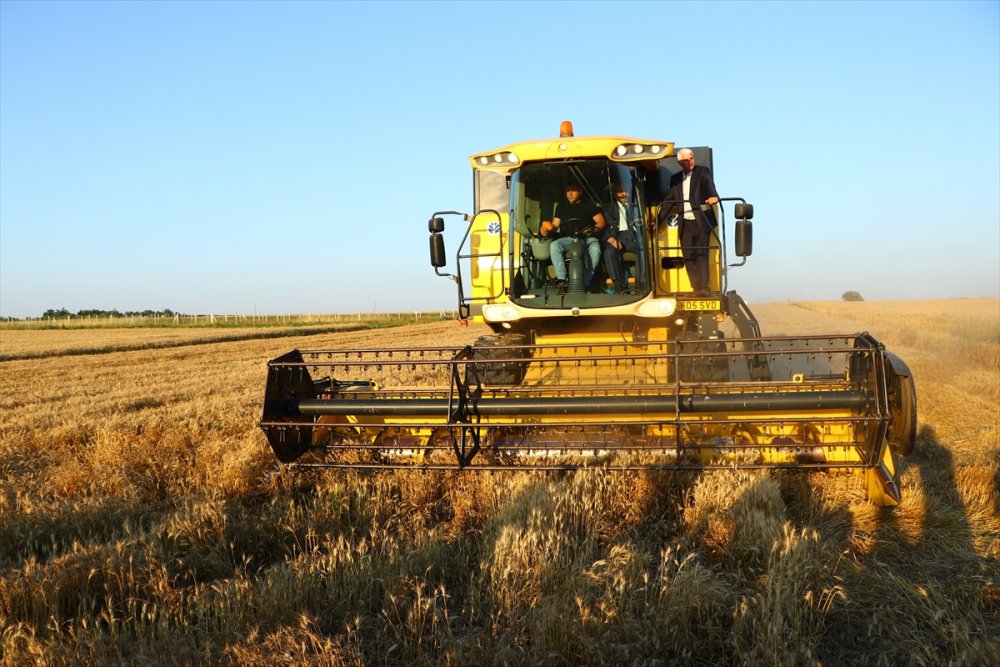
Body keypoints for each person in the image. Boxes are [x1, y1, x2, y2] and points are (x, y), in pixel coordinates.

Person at [661, 148, 719, 293]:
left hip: (701, 220)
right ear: (680, 162)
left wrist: (714, 196)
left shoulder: (702, 172)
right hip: (684, 223)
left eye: (692, 158)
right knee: (688, 256)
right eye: (687, 159)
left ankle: (704, 288)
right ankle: (695, 287)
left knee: (701, 255)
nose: (691, 161)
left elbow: (709, 185)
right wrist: (657, 220)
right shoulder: (675, 179)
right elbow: (668, 202)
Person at [540, 182, 606, 286]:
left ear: (580, 191)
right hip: (568, 239)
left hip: (587, 238)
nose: (570, 194)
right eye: (568, 191)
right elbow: (555, 225)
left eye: (573, 190)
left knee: (595, 248)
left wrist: (592, 230)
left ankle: (586, 281)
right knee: (554, 245)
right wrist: (546, 229)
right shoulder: (561, 206)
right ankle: (562, 280)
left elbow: (601, 223)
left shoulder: (589, 205)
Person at [602, 183, 642, 292]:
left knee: (642, 249)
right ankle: (618, 285)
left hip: (634, 236)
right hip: (616, 236)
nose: (623, 194)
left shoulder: (637, 205)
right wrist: (610, 239)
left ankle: (639, 284)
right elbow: (602, 226)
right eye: (620, 192)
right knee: (609, 252)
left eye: (625, 191)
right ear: (615, 194)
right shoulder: (608, 208)